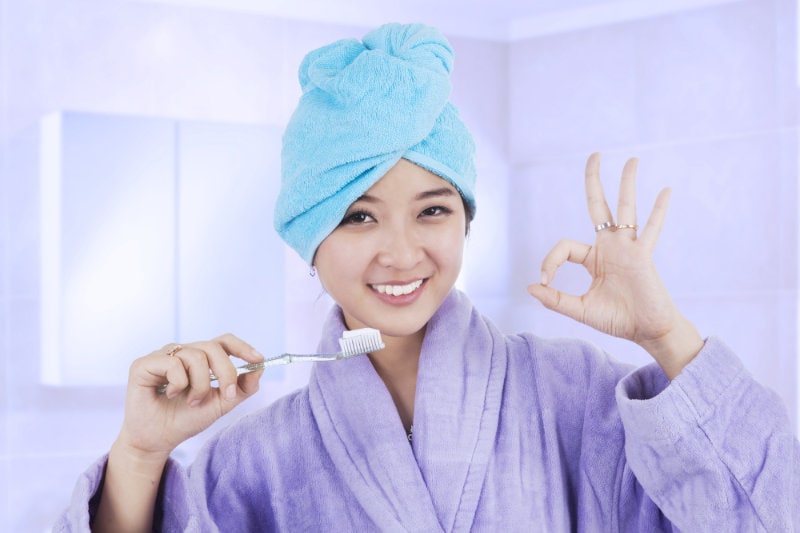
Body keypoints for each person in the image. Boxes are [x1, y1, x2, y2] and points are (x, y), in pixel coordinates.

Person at [57, 22, 799, 532]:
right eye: (359, 216)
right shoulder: (259, 459)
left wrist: (666, 335)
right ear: (309, 238)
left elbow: (765, 512)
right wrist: (141, 453)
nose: (403, 251)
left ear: (466, 219)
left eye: (433, 209)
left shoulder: (571, 394)